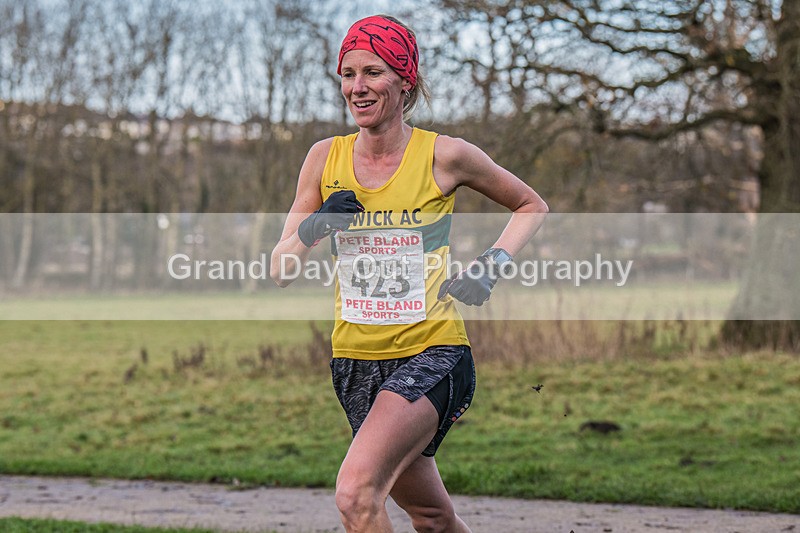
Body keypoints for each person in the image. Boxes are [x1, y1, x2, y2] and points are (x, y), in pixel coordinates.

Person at [270, 14, 548, 533]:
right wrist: (315, 228)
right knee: (431, 516)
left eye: (373, 72)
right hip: (355, 361)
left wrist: (491, 265)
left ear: (405, 81)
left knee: (356, 494)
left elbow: (531, 205)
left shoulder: (444, 155)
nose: (358, 87)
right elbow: (280, 268)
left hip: (432, 350)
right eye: (348, 74)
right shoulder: (323, 159)